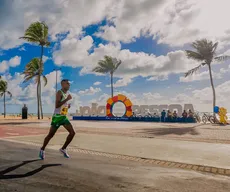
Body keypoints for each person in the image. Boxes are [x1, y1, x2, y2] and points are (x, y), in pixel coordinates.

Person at [39, 79, 75, 159]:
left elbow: (62, 105)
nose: (69, 85)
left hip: (64, 117)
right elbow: (57, 105)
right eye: (67, 84)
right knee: (51, 135)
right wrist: (67, 99)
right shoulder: (59, 92)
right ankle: (42, 149)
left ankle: (63, 148)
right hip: (57, 117)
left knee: (72, 133)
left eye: (69, 84)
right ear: (63, 84)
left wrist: (67, 106)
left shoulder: (66, 94)